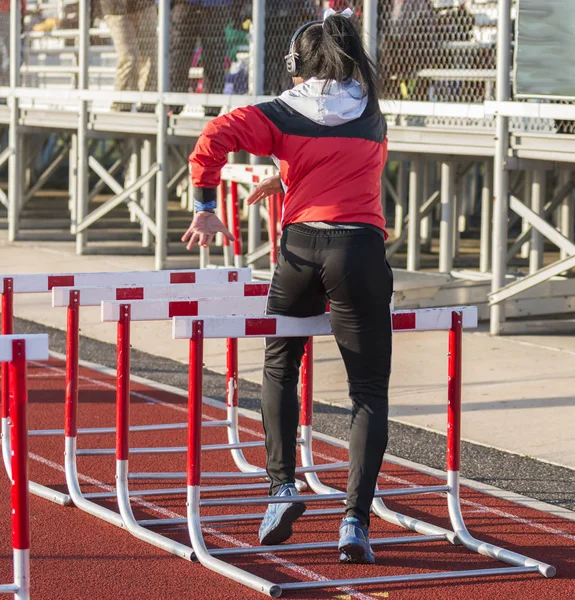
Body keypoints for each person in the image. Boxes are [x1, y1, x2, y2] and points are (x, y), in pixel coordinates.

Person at [182, 8, 393, 564]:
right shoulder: (371, 108)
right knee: (368, 391)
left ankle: (281, 489)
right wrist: (289, 171)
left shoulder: (283, 110)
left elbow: (213, 137)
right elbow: (353, 163)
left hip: (300, 250)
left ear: (298, 63)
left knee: (280, 364)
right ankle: (355, 522)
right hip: (359, 251)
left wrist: (206, 207)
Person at [98, 0, 158, 112]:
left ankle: (148, 108)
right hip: (116, 7)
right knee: (129, 58)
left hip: (144, 5)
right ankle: (120, 107)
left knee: (151, 58)